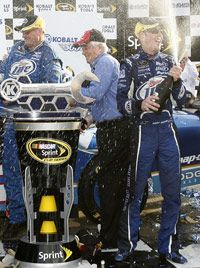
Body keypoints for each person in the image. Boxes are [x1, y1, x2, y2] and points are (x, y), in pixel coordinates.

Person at [115, 18, 187, 266]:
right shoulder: (130, 64)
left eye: (160, 32)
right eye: (153, 33)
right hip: (143, 131)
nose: (158, 36)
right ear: (142, 36)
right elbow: (120, 102)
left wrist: (177, 81)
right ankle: (127, 246)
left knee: (172, 193)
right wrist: (139, 105)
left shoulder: (169, 61)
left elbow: (183, 98)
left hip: (167, 131)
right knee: (134, 193)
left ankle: (169, 246)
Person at [0, 15, 63, 242]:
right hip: (11, 121)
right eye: (23, 32)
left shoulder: (49, 54)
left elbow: (52, 88)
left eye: (28, 32)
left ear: (39, 31)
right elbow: (3, 76)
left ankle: (39, 220)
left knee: (38, 174)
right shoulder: (16, 49)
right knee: (12, 170)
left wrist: (22, 94)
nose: (24, 36)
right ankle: (17, 219)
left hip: (35, 123)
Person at [73, 29, 132, 248]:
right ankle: (110, 235)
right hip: (110, 129)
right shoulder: (99, 65)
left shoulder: (106, 62)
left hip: (117, 129)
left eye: (86, 47)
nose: (83, 52)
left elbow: (94, 94)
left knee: (112, 185)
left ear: (98, 46)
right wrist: (87, 120)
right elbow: (101, 102)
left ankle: (111, 239)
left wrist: (74, 97)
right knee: (110, 184)